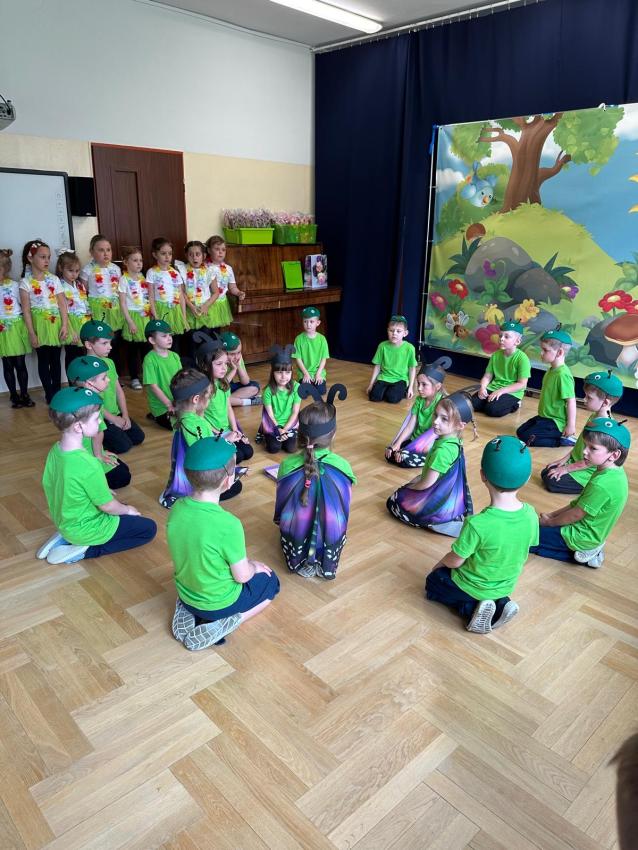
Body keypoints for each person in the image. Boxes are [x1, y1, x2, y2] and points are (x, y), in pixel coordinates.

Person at [167, 436, 279, 651]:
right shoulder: (229, 524)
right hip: (220, 603)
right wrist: (254, 566)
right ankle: (229, 621)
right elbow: (243, 576)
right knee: (271, 583)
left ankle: (189, 609)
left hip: (186, 593)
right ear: (228, 480)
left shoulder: (177, 508)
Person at [425, 435, 538, 634]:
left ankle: (470, 610)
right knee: (490, 590)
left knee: (434, 581)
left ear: (482, 475)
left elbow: (455, 561)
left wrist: (439, 565)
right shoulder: (531, 515)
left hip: (470, 586)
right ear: (527, 478)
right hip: (504, 584)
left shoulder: (477, 524)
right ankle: (502, 603)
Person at [37, 387, 157, 565]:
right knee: (148, 529)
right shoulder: (88, 464)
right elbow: (107, 506)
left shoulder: (56, 451)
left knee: (122, 508)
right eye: (96, 418)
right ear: (78, 426)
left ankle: (66, 537)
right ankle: (86, 550)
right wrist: (128, 511)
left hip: (65, 520)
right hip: (88, 529)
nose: (100, 420)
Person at [274, 383, 355, 579]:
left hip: (296, 537)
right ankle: (322, 560)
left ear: (300, 435)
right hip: (330, 536)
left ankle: (300, 559)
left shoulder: (287, 465)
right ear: (333, 434)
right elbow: (344, 505)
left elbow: (281, 505)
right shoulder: (343, 466)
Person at [530, 417, 630, 568]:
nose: (584, 451)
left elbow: (576, 514)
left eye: (593, 448)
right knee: (534, 531)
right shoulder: (614, 473)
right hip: (587, 531)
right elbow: (578, 505)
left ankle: (584, 555)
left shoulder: (601, 484)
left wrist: (549, 523)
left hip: (579, 537)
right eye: (586, 445)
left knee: (525, 538)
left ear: (614, 455)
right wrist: (552, 516)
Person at [387, 392, 475, 537]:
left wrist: (409, 488)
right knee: (409, 486)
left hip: (435, 497)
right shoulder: (454, 441)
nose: (436, 421)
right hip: (445, 492)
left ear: (460, 425)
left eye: (444, 419)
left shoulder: (443, 451)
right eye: (436, 415)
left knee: (393, 501)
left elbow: (426, 484)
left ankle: (437, 522)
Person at [159, 367, 243, 508]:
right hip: (198, 477)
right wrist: (226, 441)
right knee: (236, 486)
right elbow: (207, 455)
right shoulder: (197, 425)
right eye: (209, 396)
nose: (209, 400)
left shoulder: (183, 418)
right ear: (196, 399)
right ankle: (199, 497)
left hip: (188, 470)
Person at [541, 369, 623, 494]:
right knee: (546, 472)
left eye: (589, 397)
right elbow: (579, 444)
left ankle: (589, 486)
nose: (584, 399)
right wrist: (564, 460)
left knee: (551, 481)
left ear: (605, 402)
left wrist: (566, 469)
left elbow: (591, 462)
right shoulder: (594, 417)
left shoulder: (604, 429)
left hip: (586, 470)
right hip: (577, 461)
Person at [66, 355, 132, 489]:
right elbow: (97, 433)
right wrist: (99, 455)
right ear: (89, 384)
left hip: (75, 453)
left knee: (122, 468)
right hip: (86, 456)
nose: (108, 380)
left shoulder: (76, 398)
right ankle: (85, 483)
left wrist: (101, 450)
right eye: (103, 378)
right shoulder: (93, 403)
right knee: (123, 476)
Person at [80, 320, 145, 454]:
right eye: (104, 343)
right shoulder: (84, 368)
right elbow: (91, 403)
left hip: (115, 413)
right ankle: (95, 440)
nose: (110, 347)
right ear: (88, 345)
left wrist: (125, 415)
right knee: (124, 446)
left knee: (138, 437)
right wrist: (113, 419)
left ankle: (114, 430)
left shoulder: (109, 362)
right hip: (99, 418)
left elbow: (119, 391)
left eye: (110, 343)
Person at [19, 239, 69, 404]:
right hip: (39, 325)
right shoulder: (25, 283)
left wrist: (65, 325)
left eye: (48, 257)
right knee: (43, 359)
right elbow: (26, 310)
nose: (47, 260)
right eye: (42, 257)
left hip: (55, 324)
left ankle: (57, 392)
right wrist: (32, 333)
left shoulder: (54, 279)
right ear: (30, 258)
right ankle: (49, 393)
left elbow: (62, 304)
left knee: (55, 359)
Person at [194, 331, 254, 463]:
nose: (224, 368)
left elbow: (228, 408)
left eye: (226, 364)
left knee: (248, 452)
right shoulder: (204, 389)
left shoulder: (222, 383)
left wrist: (235, 430)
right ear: (205, 365)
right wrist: (220, 435)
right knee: (238, 457)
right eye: (219, 364)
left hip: (226, 430)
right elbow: (200, 418)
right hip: (214, 434)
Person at [516, 326, 576, 447]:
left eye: (545, 350)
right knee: (520, 432)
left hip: (556, 422)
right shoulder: (551, 370)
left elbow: (571, 401)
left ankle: (561, 440)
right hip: (544, 417)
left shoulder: (563, 375)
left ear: (559, 352)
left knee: (528, 438)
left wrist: (570, 425)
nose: (541, 353)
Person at [385, 356, 450, 467]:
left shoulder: (442, 404)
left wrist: (409, 450)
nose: (419, 388)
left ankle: (426, 458)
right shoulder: (419, 400)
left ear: (438, 386)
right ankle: (411, 456)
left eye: (424, 384)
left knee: (403, 459)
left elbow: (434, 434)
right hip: (415, 440)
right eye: (418, 383)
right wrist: (398, 443)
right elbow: (410, 426)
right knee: (391, 454)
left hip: (428, 444)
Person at [471, 320, 531, 417]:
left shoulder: (522, 358)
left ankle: (516, 404)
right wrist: (483, 387)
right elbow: (487, 376)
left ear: (517, 341)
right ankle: (489, 402)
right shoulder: (495, 355)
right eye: (500, 336)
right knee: (472, 404)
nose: (501, 339)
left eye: (506, 337)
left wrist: (501, 391)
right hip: (494, 387)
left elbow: (522, 384)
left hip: (512, 392)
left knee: (492, 410)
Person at [0, 248, 33, 409]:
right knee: (7, 364)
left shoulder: (15, 285)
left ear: (5, 268)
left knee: (20, 364)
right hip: (2, 330)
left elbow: (24, 306)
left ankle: (25, 393)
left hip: (16, 327)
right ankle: (13, 395)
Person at [146, 237, 189, 354]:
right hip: (161, 310)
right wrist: (156, 316)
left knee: (175, 343)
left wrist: (184, 317)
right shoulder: (151, 272)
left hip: (175, 311)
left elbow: (181, 296)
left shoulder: (175, 273)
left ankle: (175, 363)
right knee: (161, 341)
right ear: (155, 255)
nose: (167, 257)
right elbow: (150, 297)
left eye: (170, 253)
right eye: (163, 253)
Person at [118, 245, 150, 391]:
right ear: (126, 262)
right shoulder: (123, 280)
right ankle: (134, 377)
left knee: (146, 350)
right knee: (132, 350)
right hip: (132, 317)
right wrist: (130, 321)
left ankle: (147, 376)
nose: (139, 263)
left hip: (145, 317)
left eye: (140, 260)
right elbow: (122, 303)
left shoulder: (143, 278)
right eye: (135, 260)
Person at [258, 344, 301, 454]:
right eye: (279, 372)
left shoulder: (297, 388)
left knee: (291, 448)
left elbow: (295, 412)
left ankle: (287, 437)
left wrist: (285, 429)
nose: (283, 377)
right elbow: (270, 415)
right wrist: (278, 429)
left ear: (292, 371)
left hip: (290, 424)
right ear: (273, 372)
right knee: (273, 448)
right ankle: (266, 435)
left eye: (287, 372)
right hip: (273, 424)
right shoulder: (268, 391)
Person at [367, 314, 418, 404]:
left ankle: (400, 390)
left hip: (400, 379)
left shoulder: (410, 348)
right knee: (374, 397)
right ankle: (385, 389)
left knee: (392, 398)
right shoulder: (382, 346)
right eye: (391, 330)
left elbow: (412, 368)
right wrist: (371, 384)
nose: (394, 333)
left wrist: (410, 387)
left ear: (405, 333)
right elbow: (377, 366)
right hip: (384, 377)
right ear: (388, 331)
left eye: (398, 331)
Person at [142, 319, 182, 429]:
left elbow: (181, 379)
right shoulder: (149, 360)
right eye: (164, 336)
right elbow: (153, 386)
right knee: (176, 426)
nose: (169, 338)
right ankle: (155, 416)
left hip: (177, 401)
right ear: (152, 340)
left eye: (170, 335)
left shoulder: (175, 356)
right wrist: (169, 404)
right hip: (162, 407)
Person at [56, 248, 90, 371]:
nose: (74, 274)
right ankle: (72, 380)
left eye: (77, 271)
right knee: (72, 354)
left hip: (84, 321)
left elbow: (85, 303)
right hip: (71, 322)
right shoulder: (59, 285)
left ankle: (83, 378)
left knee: (83, 354)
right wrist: (71, 330)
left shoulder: (79, 285)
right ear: (61, 268)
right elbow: (62, 309)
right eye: (70, 271)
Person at [205, 235, 246, 329]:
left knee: (217, 331)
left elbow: (232, 287)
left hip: (221, 304)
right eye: (217, 249)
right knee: (206, 330)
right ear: (209, 250)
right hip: (207, 303)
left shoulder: (228, 269)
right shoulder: (204, 267)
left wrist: (239, 293)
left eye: (223, 250)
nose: (220, 252)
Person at [180, 240, 219, 336]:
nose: (194, 257)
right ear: (186, 256)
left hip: (206, 309)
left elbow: (216, 292)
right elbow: (182, 292)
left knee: (206, 338)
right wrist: (191, 306)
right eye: (191, 255)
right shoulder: (182, 270)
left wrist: (206, 305)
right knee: (192, 339)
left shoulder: (209, 271)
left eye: (198, 254)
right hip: (190, 310)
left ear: (204, 256)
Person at [294, 306, 329, 395]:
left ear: (318, 323)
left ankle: (315, 384)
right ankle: (300, 384)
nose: (308, 324)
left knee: (321, 391)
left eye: (311, 322)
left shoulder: (322, 339)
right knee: (304, 393)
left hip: (318, 372)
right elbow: (298, 359)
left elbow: (323, 359)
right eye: (305, 321)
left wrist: (318, 374)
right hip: (304, 372)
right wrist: (306, 374)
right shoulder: (299, 339)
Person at [221, 330, 261, 406]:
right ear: (222, 352)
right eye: (232, 354)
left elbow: (245, 382)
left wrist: (238, 366)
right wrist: (233, 370)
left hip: (228, 388)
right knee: (215, 396)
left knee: (255, 386)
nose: (236, 357)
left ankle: (225, 401)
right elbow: (221, 385)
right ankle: (246, 401)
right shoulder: (218, 362)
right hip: (218, 389)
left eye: (239, 352)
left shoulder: (237, 359)